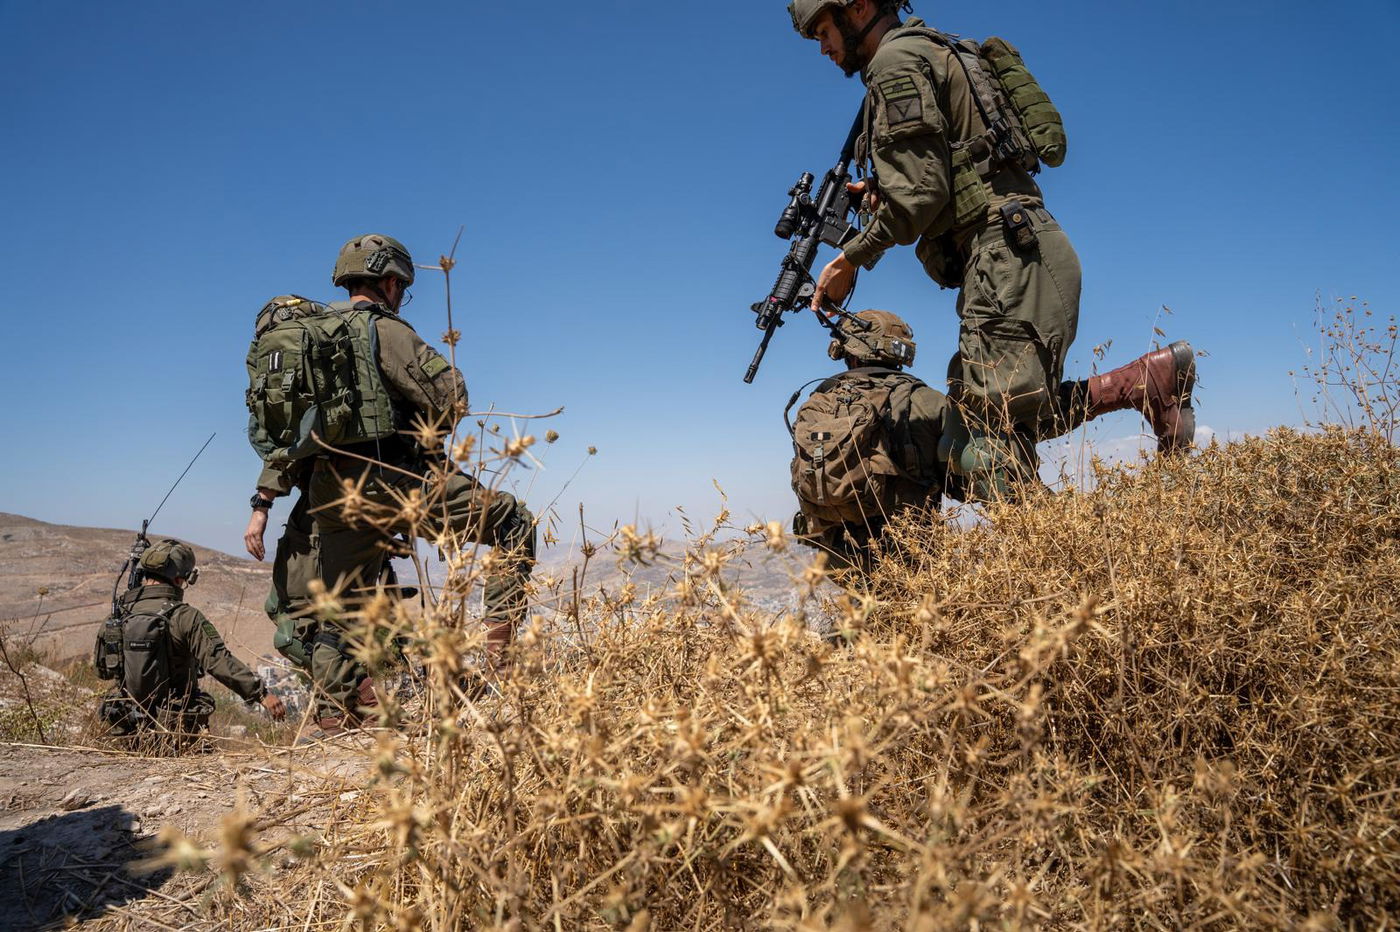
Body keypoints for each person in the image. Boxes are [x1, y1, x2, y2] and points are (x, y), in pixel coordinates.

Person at [788, 0, 1197, 501]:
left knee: (980, 448)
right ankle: (1145, 381)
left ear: (859, 7)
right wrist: (880, 195)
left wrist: (849, 258)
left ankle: (1070, 563)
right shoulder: (934, 51)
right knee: (999, 420)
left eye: (824, 31)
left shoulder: (895, 63)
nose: (824, 48)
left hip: (1007, 254)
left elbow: (921, 195)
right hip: (1016, 252)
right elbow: (944, 176)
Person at [295, 234, 535, 724]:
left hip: (326, 488)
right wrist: (430, 438)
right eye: (400, 286)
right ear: (389, 281)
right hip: (389, 476)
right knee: (513, 522)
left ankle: (332, 718)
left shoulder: (306, 337)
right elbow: (452, 395)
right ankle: (498, 667)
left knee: (342, 601)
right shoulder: (384, 329)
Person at [789, 309, 950, 579]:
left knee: (862, 616)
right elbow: (967, 476)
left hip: (838, 555)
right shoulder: (926, 400)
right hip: (908, 553)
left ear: (847, 351)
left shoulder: (818, 402)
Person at [97, 538, 285, 743]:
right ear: (179, 579)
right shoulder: (185, 617)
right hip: (176, 732)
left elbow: (103, 670)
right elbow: (218, 660)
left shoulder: (116, 617)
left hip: (127, 733)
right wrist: (261, 694)